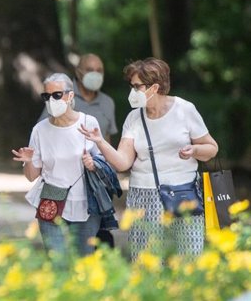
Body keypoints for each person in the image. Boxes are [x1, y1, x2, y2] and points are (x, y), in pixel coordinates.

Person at [79, 57, 218, 259]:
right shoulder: (134, 118)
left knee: (189, 259)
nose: (132, 92)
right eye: (131, 86)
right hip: (143, 196)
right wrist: (100, 141)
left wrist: (194, 150)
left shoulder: (184, 110)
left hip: (182, 193)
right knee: (146, 262)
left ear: (154, 87)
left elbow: (212, 148)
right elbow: (122, 162)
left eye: (137, 86)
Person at [13, 73, 104, 257]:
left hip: (86, 203)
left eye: (56, 95)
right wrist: (29, 161)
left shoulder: (88, 122)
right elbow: (32, 176)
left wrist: (93, 163)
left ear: (70, 96)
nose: (51, 100)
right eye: (46, 96)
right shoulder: (40, 130)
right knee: (57, 262)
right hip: (51, 200)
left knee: (84, 262)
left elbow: (103, 163)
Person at [39, 53, 118, 143]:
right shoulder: (62, 97)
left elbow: (107, 138)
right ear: (78, 72)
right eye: (89, 70)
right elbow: (42, 132)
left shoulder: (107, 103)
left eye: (99, 71)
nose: (95, 74)